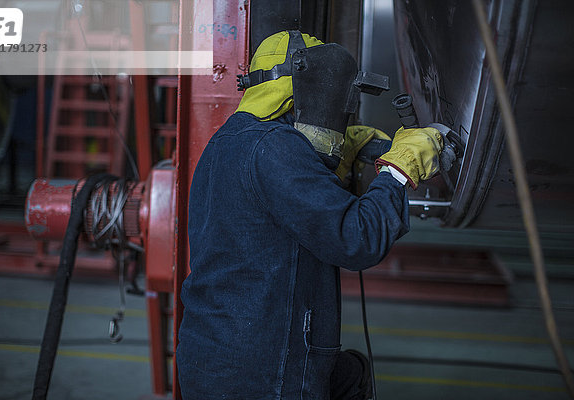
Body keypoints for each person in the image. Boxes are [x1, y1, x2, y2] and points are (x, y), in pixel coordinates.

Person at [176, 30, 443, 400]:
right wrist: (398, 169)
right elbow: (357, 239)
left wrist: (330, 157)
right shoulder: (275, 148)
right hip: (264, 371)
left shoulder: (227, 143)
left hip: (215, 357)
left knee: (349, 373)